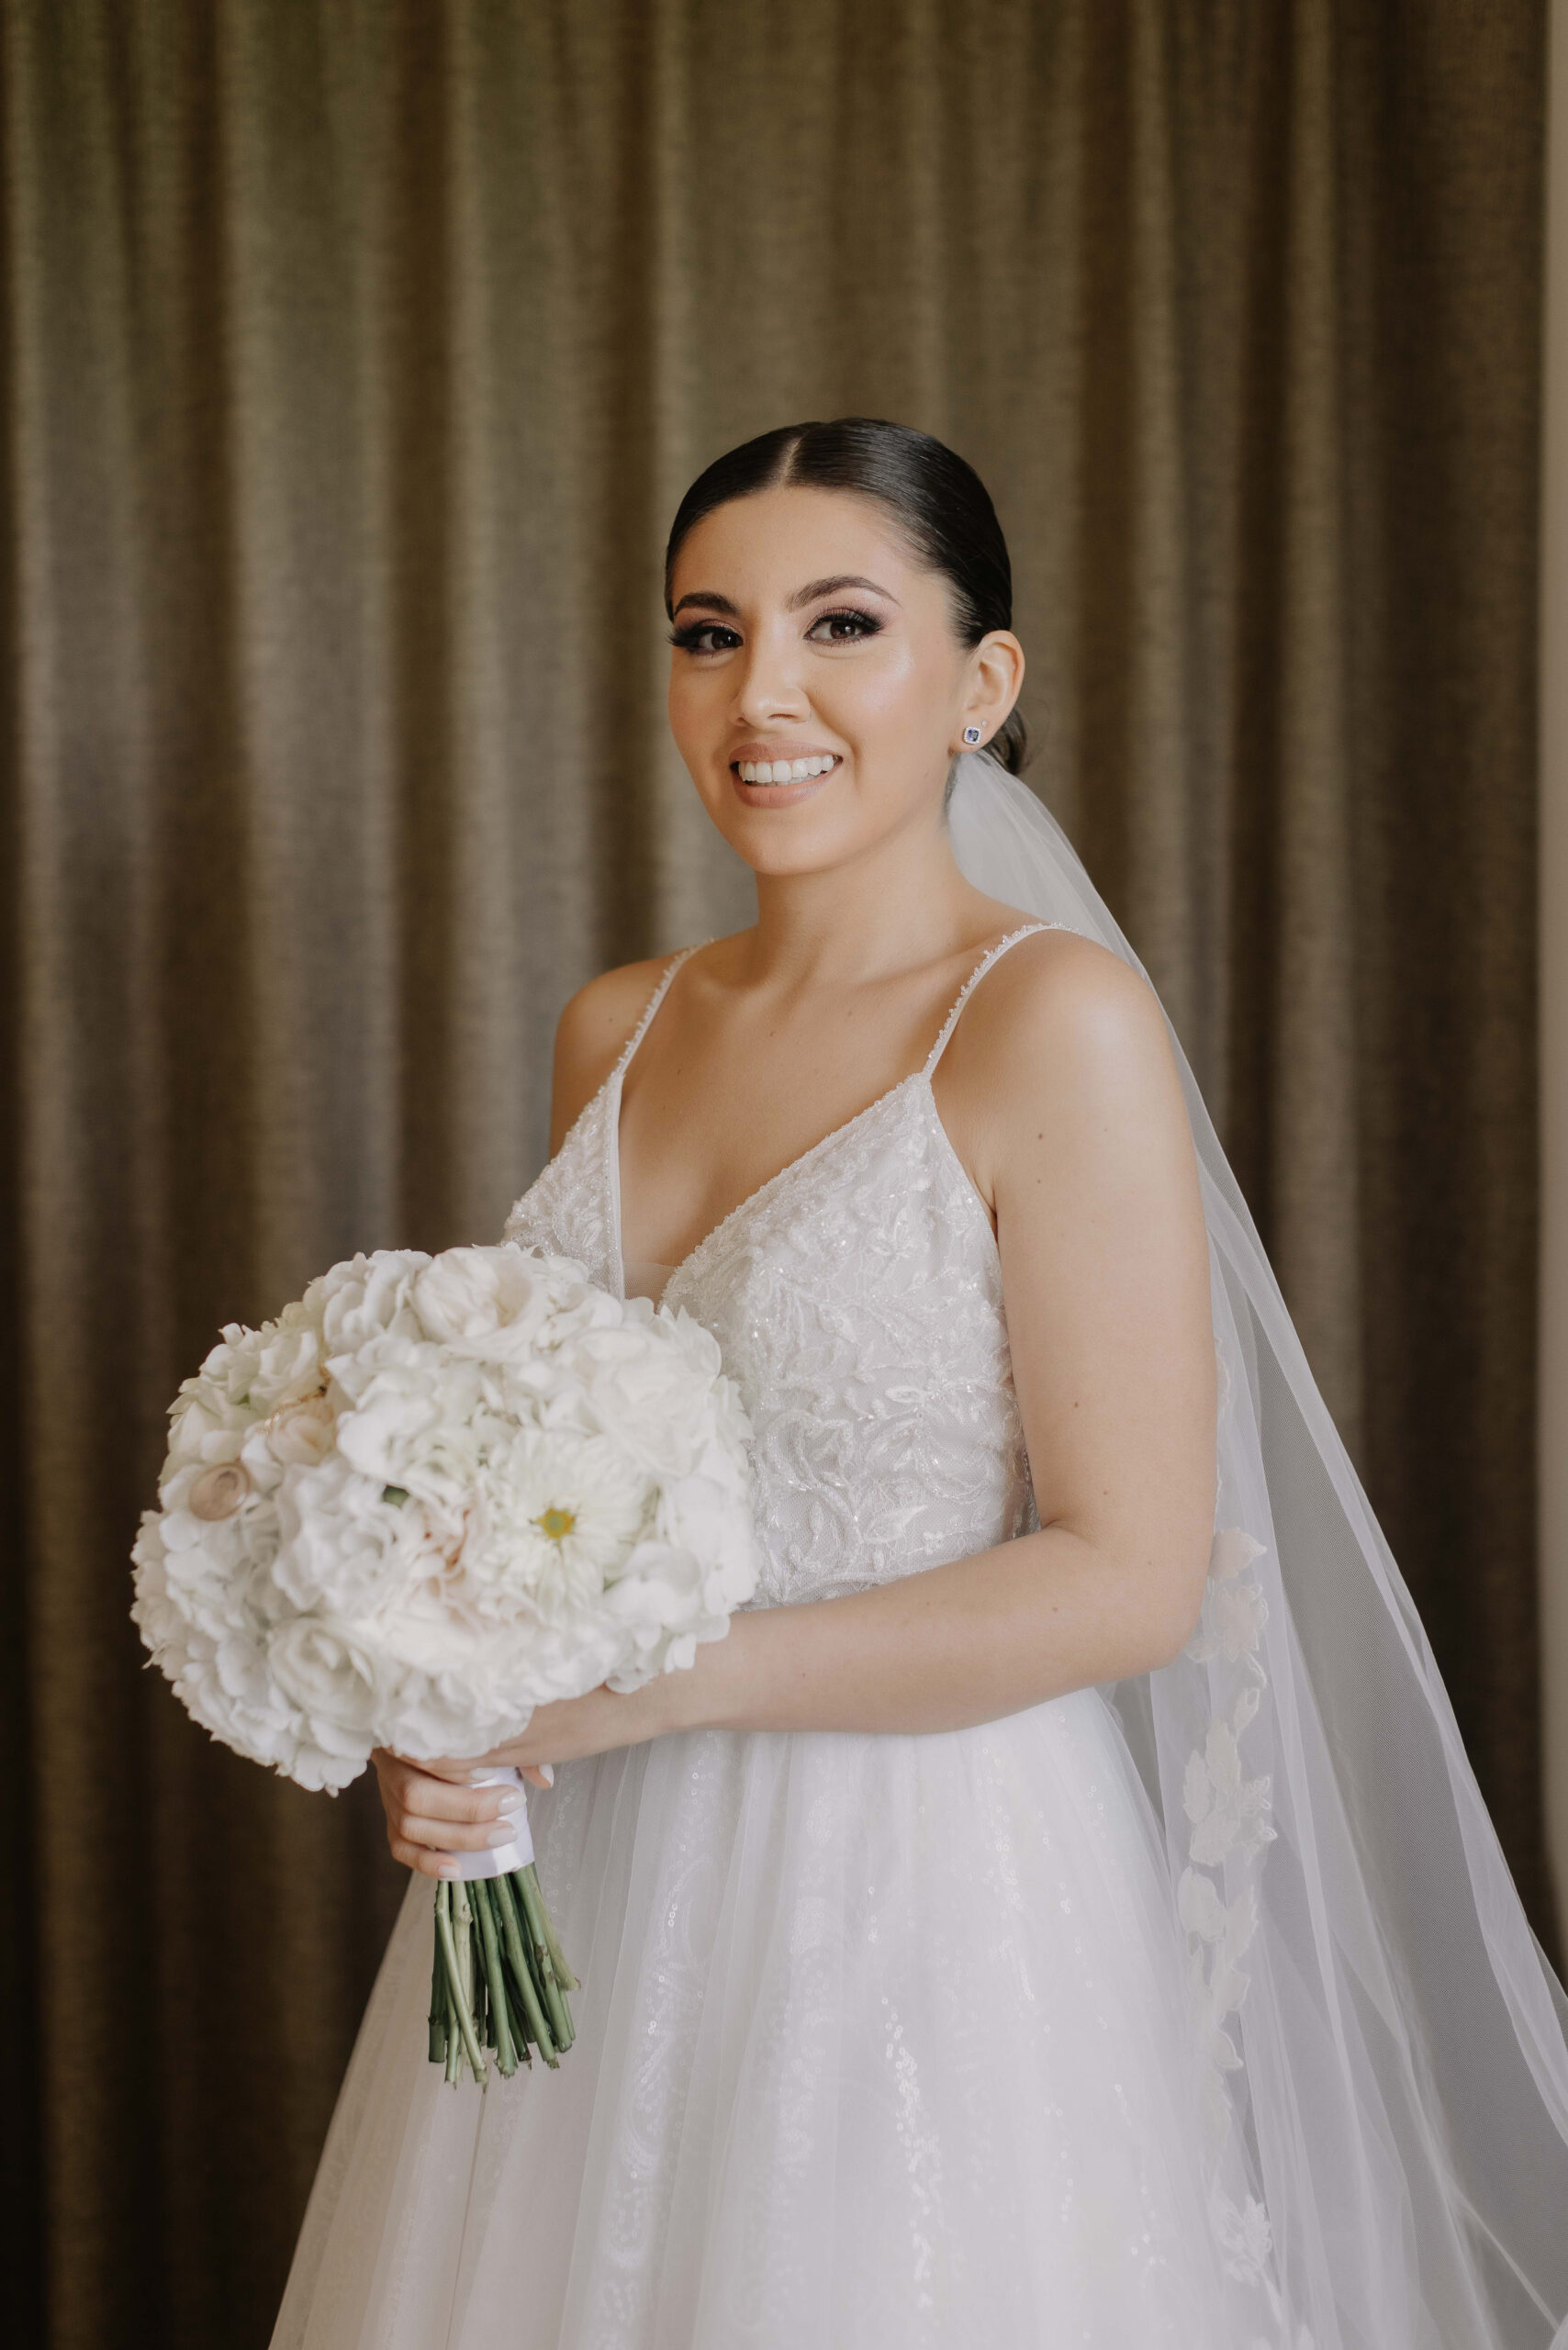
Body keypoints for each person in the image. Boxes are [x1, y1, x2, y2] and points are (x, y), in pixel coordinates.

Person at [270, 420, 1568, 2350]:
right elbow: (541, 1477)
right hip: (596, 1880)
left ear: (981, 682)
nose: (759, 695)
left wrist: (652, 1687)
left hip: (920, 1894)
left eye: (841, 624)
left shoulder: (1052, 1020)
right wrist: (449, 1708)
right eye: (708, 632)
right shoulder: (615, 1026)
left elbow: (1129, 1574)